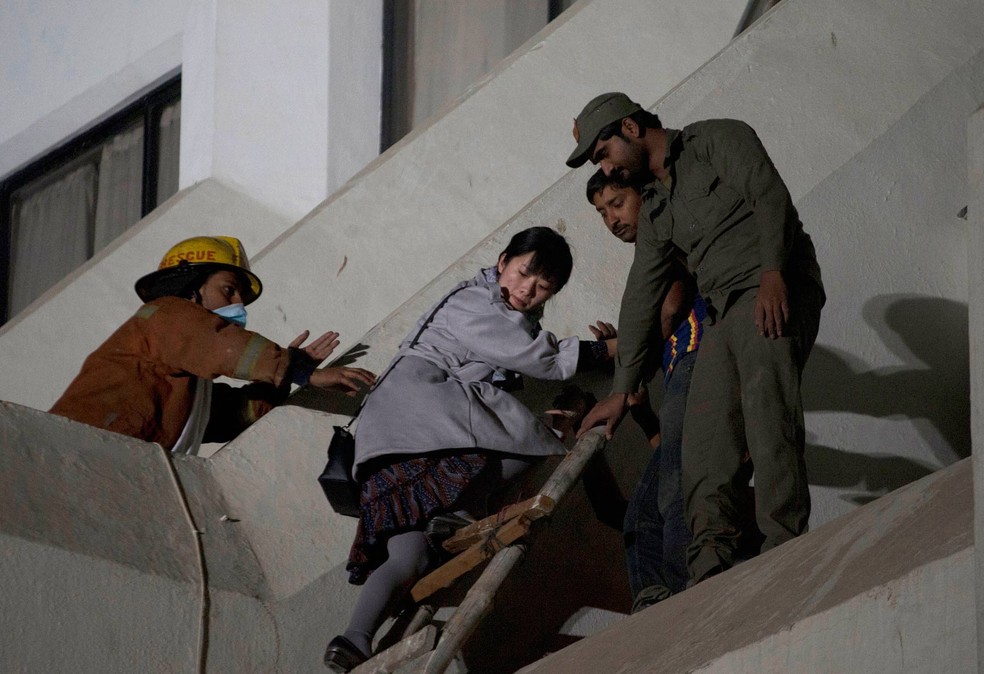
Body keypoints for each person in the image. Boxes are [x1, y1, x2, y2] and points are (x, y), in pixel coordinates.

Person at [323, 227, 611, 672]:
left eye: (543, 287)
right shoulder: (475, 302)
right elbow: (542, 359)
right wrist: (611, 349)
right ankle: (459, 507)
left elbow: (520, 350)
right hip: (420, 422)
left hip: (397, 436)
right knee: (537, 441)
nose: (528, 291)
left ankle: (353, 639)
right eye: (522, 274)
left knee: (410, 556)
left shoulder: (494, 309)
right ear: (502, 262)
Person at [569, 93, 824, 585]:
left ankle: (784, 546)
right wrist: (622, 392)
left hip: (772, 285)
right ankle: (709, 568)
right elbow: (642, 293)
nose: (605, 167)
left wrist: (773, 273)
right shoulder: (657, 206)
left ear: (630, 127)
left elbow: (770, 196)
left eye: (603, 152)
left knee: (768, 414)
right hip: (721, 312)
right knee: (703, 448)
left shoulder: (716, 138)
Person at [50, 235, 375, 454]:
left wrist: (286, 374)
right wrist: (301, 370)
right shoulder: (164, 315)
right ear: (190, 289)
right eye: (229, 289)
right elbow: (216, 343)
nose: (239, 306)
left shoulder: (187, 383)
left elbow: (233, 415)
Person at [586, 168, 707, 610]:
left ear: (643, 195)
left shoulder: (665, 243)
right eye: (602, 213)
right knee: (642, 511)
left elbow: (668, 312)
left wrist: (626, 352)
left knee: (674, 493)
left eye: (617, 204)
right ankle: (656, 598)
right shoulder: (654, 252)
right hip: (681, 374)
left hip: (697, 363)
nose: (611, 219)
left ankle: (679, 589)